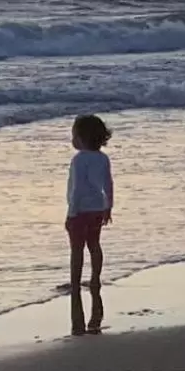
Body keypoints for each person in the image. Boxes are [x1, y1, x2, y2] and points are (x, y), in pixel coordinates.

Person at [65, 114, 114, 292]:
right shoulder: (103, 158)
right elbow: (108, 183)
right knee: (94, 244)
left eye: (74, 135)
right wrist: (108, 206)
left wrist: (71, 212)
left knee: (77, 249)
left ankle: (75, 283)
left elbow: (77, 188)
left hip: (79, 210)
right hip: (97, 208)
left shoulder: (79, 160)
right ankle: (95, 278)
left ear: (81, 138)